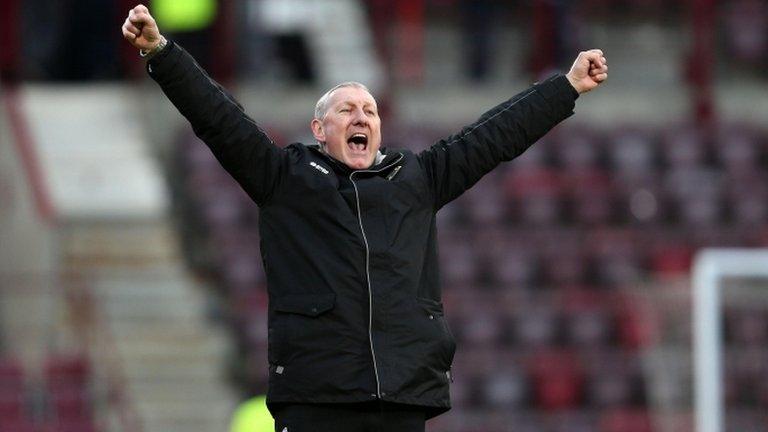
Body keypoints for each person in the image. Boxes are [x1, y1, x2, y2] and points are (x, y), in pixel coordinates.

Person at [122, 4, 607, 432]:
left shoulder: (416, 178)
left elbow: (494, 136)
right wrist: (161, 53)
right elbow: (219, 118)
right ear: (319, 129)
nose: (361, 117)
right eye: (347, 109)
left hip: (400, 399)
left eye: (370, 111)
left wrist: (565, 87)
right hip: (316, 398)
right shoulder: (286, 178)